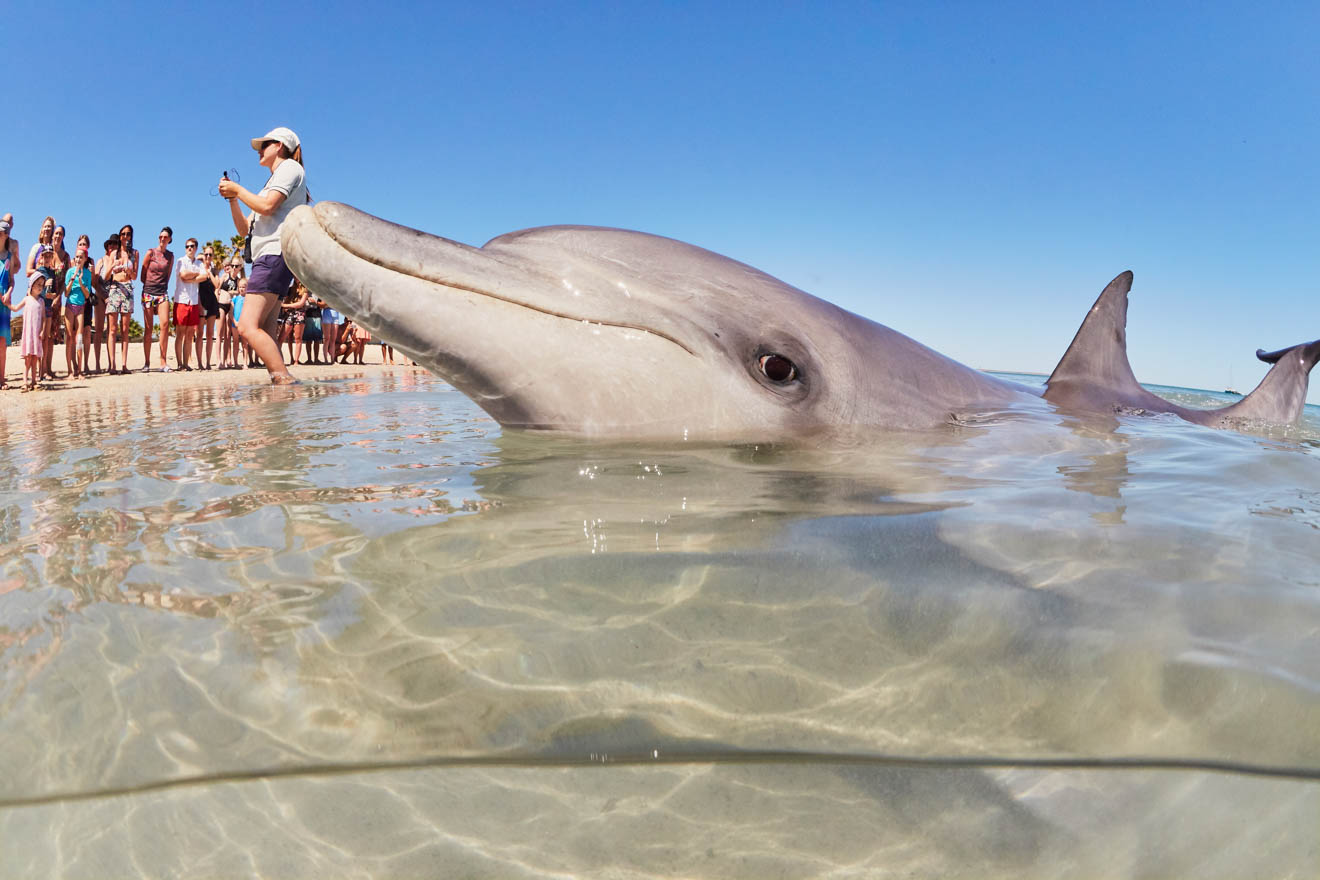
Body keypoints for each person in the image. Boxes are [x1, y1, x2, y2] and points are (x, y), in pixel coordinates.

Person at [218, 126, 307, 385]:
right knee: (266, 329)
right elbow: (245, 229)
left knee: (246, 326)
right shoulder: (271, 182)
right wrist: (234, 200)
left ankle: (286, 381)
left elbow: (267, 207)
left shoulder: (289, 168)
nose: (259, 150)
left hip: (273, 254)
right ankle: (280, 388)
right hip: (270, 258)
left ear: (279, 146)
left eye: (263, 145)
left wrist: (238, 189)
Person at [139, 227, 174, 371]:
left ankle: (163, 362)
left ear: (170, 239)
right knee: (148, 328)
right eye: (160, 236)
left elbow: (168, 275)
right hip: (148, 292)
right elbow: (142, 274)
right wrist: (149, 286)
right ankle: (146, 363)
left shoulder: (170, 256)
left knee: (165, 324)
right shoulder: (150, 252)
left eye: (165, 237)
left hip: (162, 293)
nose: (162, 239)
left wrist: (161, 288)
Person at [103, 231, 136, 375]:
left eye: (128, 234)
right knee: (112, 328)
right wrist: (113, 265)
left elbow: (135, 276)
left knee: (125, 329)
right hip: (115, 287)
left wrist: (128, 269)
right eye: (123, 234)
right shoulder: (113, 254)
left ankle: (124, 364)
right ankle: (112, 364)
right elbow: (106, 276)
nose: (125, 236)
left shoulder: (134, 254)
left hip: (127, 288)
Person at [171, 238, 204, 371]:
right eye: (187, 246)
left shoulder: (199, 263)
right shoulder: (181, 261)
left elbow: (205, 276)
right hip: (182, 300)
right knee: (180, 333)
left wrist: (191, 278)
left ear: (196, 248)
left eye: (192, 246)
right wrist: (195, 275)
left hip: (194, 301)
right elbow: (183, 275)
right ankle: (179, 363)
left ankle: (186, 363)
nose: (189, 248)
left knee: (190, 334)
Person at [63, 243, 94, 378]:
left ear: (85, 259)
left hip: (81, 307)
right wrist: (72, 279)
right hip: (70, 305)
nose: (78, 260)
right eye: (76, 257)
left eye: (80, 257)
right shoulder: (70, 271)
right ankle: (70, 370)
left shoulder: (87, 274)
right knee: (69, 338)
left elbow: (87, 295)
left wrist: (81, 282)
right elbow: (66, 292)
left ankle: (79, 370)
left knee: (79, 338)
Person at [13, 273, 46, 391]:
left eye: (42, 285)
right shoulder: (26, 299)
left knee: (34, 358)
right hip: (28, 334)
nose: (40, 287)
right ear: (31, 285)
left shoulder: (41, 301)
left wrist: (42, 331)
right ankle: (24, 381)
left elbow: (43, 318)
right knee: (27, 359)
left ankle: (34, 381)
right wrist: (6, 304)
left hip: (36, 335)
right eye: (38, 284)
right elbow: (16, 308)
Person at [196, 244, 220, 369]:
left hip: (212, 301)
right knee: (200, 333)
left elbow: (216, 284)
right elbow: (196, 287)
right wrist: (199, 303)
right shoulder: (198, 268)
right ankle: (199, 362)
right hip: (201, 300)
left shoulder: (214, 270)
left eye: (210, 254)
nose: (208, 256)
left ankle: (208, 362)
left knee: (210, 334)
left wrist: (209, 272)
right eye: (206, 254)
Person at [216, 257, 242, 368]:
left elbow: (240, 291)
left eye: (236, 266)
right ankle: (218, 360)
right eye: (233, 266)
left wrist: (232, 292)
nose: (234, 268)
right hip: (222, 304)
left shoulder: (238, 280)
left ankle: (227, 360)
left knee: (228, 335)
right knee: (219, 333)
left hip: (231, 306)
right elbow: (218, 289)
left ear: (240, 268)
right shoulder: (225, 276)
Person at [0, 219, 14, 386]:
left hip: (4, 300)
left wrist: (9, 292)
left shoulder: (9, 257)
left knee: (2, 342)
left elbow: (11, 281)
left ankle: (2, 378)